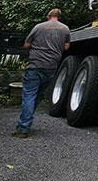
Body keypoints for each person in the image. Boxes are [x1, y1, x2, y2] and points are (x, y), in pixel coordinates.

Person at [12, 8, 70, 138]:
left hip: (35, 65)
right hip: (51, 66)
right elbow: (66, 47)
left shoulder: (39, 27)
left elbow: (26, 45)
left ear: (48, 16)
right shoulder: (65, 29)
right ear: (58, 17)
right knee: (38, 95)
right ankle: (26, 120)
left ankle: (23, 128)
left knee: (29, 95)